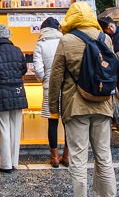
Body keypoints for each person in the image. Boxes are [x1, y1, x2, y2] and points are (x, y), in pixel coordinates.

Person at [49, 1, 116, 197]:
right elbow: (112, 70)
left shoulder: (67, 40)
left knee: (78, 159)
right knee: (104, 157)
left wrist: (54, 109)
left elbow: (55, 77)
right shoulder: (105, 38)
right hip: (103, 104)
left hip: (76, 106)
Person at [0, 23, 28, 173]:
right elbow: (23, 69)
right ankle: (14, 161)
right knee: (16, 127)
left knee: (4, 128)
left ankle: (5, 163)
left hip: (0, 93)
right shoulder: (17, 50)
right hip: (17, 91)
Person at [33, 16, 68, 167]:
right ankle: (67, 156)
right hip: (67, 87)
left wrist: (44, 80)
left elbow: (38, 69)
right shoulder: (65, 41)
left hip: (49, 87)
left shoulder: (40, 44)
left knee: (52, 122)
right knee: (68, 122)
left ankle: (54, 157)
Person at [103, 16, 119, 121]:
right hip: (114, 68)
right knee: (114, 92)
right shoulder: (110, 37)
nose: (111, 29)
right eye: (108, 28)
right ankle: (116, 118)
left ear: (114, 25)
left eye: (111, 26)